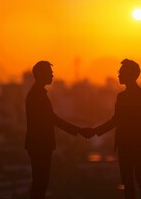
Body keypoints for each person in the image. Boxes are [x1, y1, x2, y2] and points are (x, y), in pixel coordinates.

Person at [25, 61, 92, 199]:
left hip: (40, 145)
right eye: (50, 73)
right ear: (41, 75)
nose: (52, 75)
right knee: (40, 183)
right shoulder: (37, 96)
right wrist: (79, 130)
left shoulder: (38, 94)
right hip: (40, 145)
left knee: (40, 183)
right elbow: (53, 119)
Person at [93, 59, 141, 199]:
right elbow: (116, 120)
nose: (118, 75)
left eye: (121, 72)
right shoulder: (121, 97)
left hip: (139, 147)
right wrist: (95, 131)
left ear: (131, 75)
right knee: (128, 183)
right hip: (125, 146)